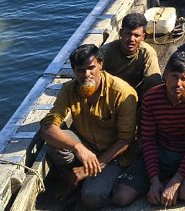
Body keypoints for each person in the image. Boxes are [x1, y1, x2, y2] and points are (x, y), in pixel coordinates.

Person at [40, 44, 147, 209]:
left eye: (91, 68)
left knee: (92, 197)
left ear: (101, 65)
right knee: (56, 143)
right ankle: (71, 176)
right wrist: (78, 148)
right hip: (86, 145)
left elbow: (125, 140)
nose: (86, 74)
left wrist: (87, 170)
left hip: (114, 156)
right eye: (80, 70)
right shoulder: (69, 89)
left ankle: (82, 179)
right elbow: (47, 128)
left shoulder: (123, 93)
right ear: (74, 71)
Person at [140, 51, 185, 206]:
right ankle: (159, 181)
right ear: (166, 73)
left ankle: (171, 181)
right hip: (161, 153)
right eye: (174, 76)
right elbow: (148, 141)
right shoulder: (151, 99)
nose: (178, 84)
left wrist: (176, 181)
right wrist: (153, 180)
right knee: (122, 197)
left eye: (184, 79)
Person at [101, 12, 162, 96]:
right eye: (128, 34)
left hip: (136, 92)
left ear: (143, 37)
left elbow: (154, 80)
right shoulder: (106, 51)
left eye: (136, 35)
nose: (131, 39)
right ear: (121, 33)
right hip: (111, 92)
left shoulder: (147, 53)